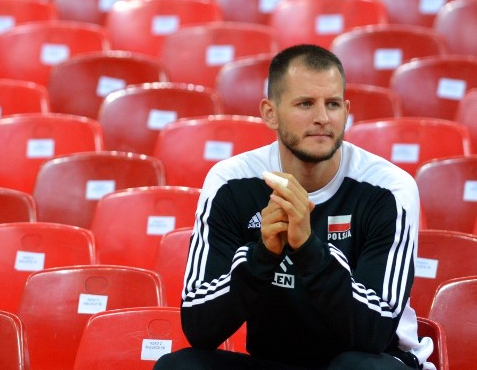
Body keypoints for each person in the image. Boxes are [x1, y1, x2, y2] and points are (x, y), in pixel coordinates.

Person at [155, 44, 434, 370]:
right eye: (305, 104)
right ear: (269, 113)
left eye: (332, 104)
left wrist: (308, 250)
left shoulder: (387, 188)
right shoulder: (231, 182)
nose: (321, 118)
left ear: (346, 111)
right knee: (180, 366)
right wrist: (262, 256)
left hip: (378, 361)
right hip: (276, 361)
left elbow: (374, 332)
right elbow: (201, 328)